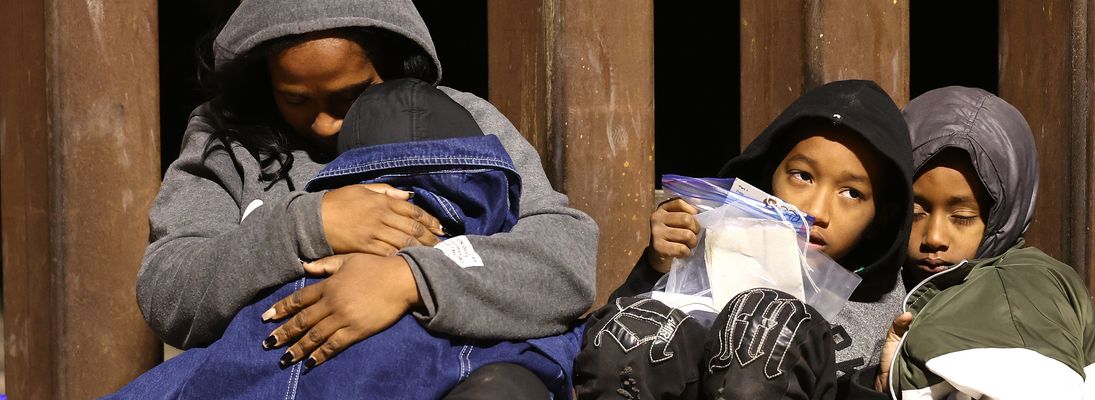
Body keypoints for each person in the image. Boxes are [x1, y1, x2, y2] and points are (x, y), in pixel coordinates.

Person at [133, 0, 596, 395]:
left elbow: (562, 258)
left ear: (391, 64)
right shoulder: (226, 141)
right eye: (296, 100)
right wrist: (307, 226)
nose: (324, 124)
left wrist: (410, 280)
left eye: (350, 97)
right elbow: (168, 292)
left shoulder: (459, 120)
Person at [575, 80, 915, 399]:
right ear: (768, 175)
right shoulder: (713, 249)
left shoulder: (886, 308)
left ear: (881, 216)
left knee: (768, 322)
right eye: (802, 176)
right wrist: (656, 267)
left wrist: (881, 386)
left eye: (851, 193)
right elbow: (615, 355)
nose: (817, 210)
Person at [868, 86, 1095, 399]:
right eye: (915, 211)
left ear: (1003, 216)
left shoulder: (1018, 299)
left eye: (963, 217)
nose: (935, 238)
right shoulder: (893, 281)